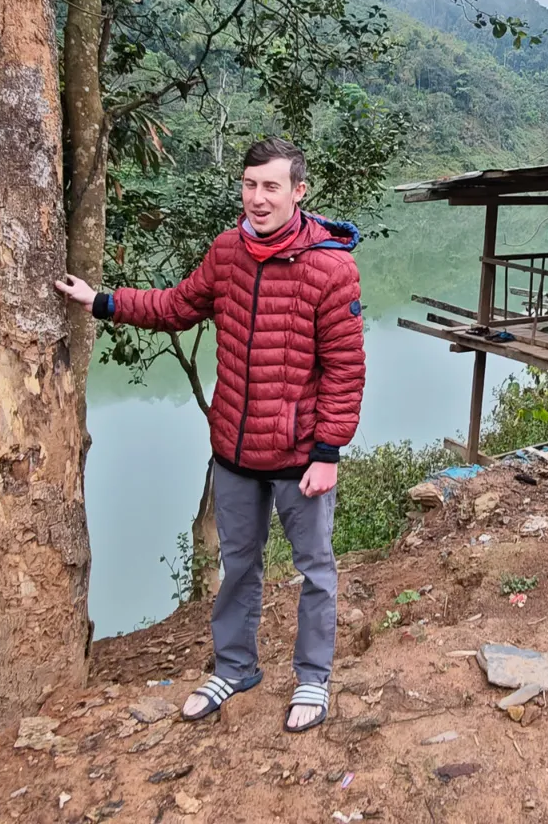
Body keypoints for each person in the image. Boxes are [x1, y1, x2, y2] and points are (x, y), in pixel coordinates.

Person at [55, 137, 364, 733]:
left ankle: (312, 678)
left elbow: (347, 369)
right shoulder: (227, 252)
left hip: (299, 455)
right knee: (237, 563)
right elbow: (177, 305)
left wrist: (328, 452)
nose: (257, 198)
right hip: (234, 450)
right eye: (250, 185)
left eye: (271, 186)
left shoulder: (331, 267)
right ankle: (236, 666)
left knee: (314, 569)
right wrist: (102, 302)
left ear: (299, 192)